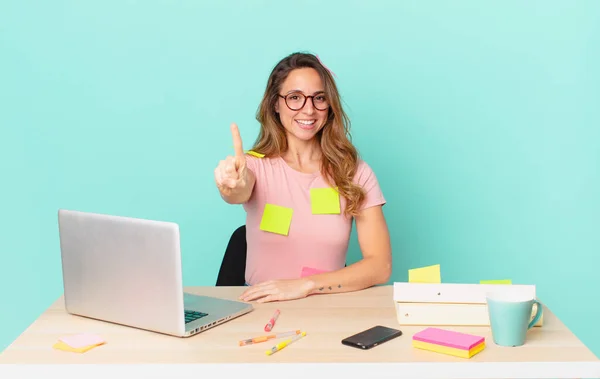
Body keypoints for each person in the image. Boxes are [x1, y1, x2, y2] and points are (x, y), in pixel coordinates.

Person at [214, 52, 391, 303]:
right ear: (276, 104)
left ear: (329, 105)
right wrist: (231, 184)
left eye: (319, 98)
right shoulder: (254, 166)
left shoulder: (355, 172)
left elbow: (379, 265)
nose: (308, 109)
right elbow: (238, 190)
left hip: (327, 310)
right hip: (259, 311)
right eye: (294, 98)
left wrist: (305, 285)